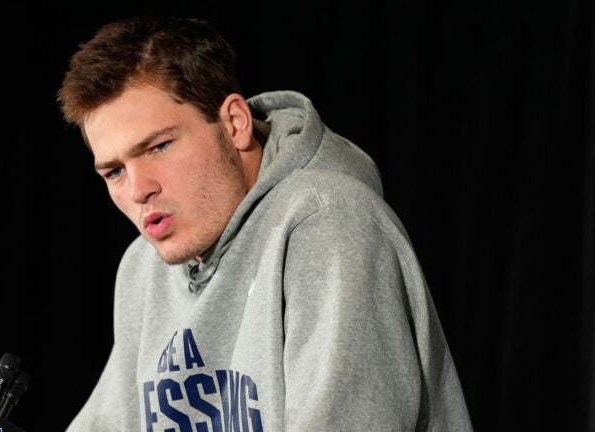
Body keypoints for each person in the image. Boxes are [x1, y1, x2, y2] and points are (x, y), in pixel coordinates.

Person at [56, 15, 472, 432]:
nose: (138, 189)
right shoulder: (143, 268)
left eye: (159, 147)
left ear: (234, 123)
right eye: (114, 172)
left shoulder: (328, 223)